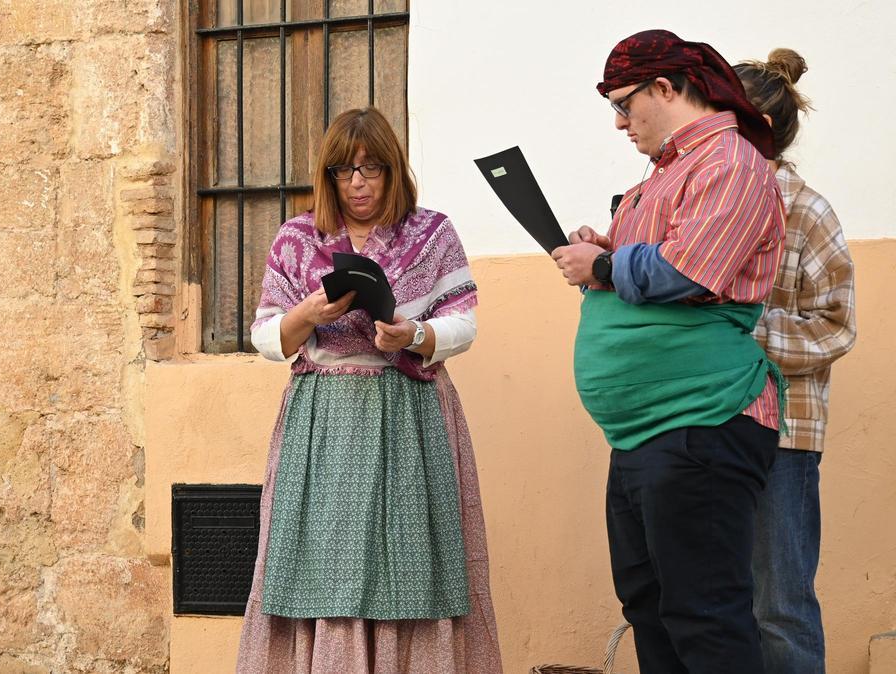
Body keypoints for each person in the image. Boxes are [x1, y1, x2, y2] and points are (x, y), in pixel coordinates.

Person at [550, 30, 787, 673]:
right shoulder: (663, 176)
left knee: (704, 612)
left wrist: (602, 265)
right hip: (644, 433)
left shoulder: (730, 163)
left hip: (700, 422)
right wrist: (603, 244)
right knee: (649, 604)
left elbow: (690, 271)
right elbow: (644, 257)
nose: (621, 123)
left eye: (625, 104)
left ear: (666, 87)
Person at [235, 107, 502, 673]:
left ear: (393, 170)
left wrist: (416, 332)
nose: (358, 183)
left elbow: (465, 324)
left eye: (372, 168)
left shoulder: (431, 233)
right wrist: (307, 311)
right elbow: (265, 337)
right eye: (344, 171)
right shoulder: (297, 238)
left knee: (412, 565)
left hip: (408, 411)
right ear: (328, 176)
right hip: (323, 419)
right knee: (320, 567)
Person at [735, 48, 857, 674]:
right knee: (713, 602)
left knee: (779, 605)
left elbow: (837, 325)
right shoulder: (693, 201)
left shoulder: (806, 211)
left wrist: (744, 325)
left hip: (783, 435)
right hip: (701, 427)